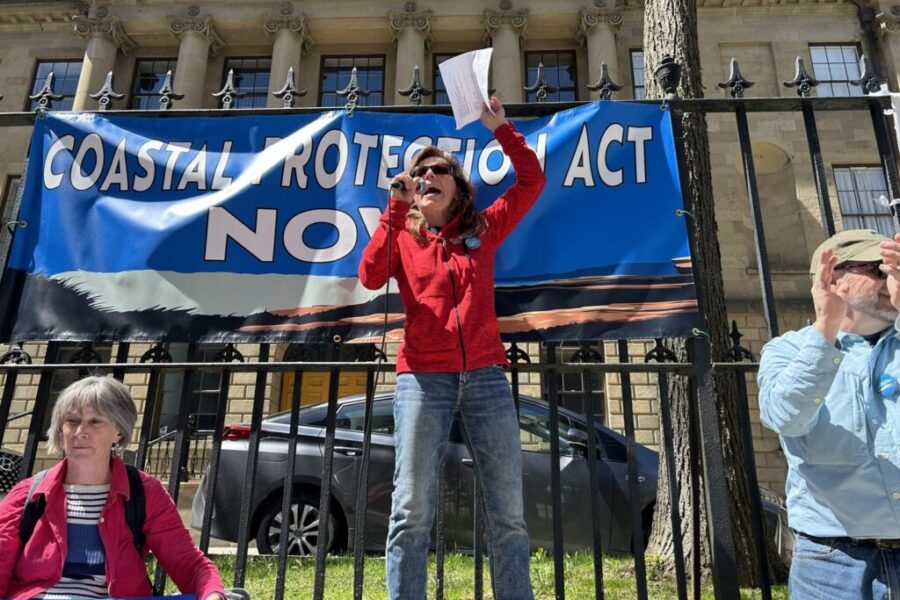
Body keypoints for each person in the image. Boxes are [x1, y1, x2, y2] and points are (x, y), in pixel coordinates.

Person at [358, 97, 545, 600]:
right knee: (410, 512)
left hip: (485, 376)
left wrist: (500, 129)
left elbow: (532, 183)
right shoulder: (402, 233)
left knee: (508, 512)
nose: (430, 175)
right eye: (420, 172)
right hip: (422, 378)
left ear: (457, 186)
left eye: (441, 169)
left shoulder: (482, 228)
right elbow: (370, 275)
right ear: (414, 193)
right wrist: (393, 212)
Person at [758, 228, 900, 599]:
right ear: (834, 276)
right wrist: (826, 330)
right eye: (878, 269)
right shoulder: (788, 351)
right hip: (832, 562)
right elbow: (786, 417)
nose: (892, 278)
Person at [0, 375, 227, 600]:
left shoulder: (145, 492)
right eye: (72, 421)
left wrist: (213, 594)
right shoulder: (29, 493)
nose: (80, 431)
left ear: (119, 432)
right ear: (61, 429)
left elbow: (185, 560)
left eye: (95, 421)